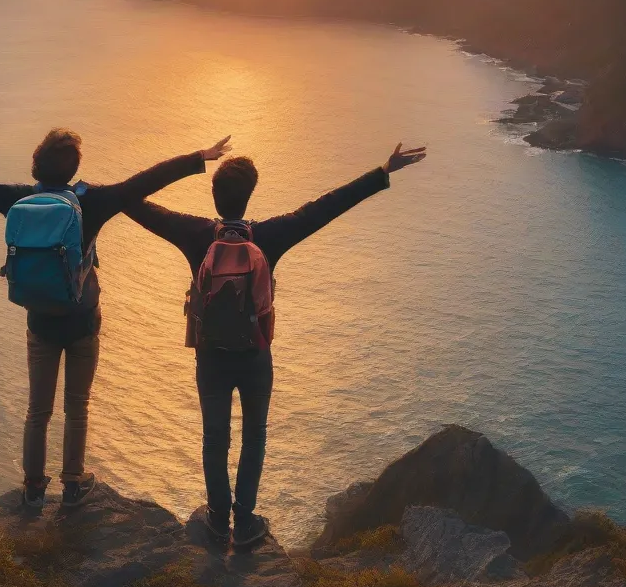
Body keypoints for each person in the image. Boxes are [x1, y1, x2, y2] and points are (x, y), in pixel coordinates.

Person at [0, 124, 231, 508]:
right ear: (73, 169)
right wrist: (197, 158)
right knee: (77, 405)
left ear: (36, 165)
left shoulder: (17, 200)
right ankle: (73, 483)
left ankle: (34, 487)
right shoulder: (93, 201)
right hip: (82, 321)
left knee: (37, 410)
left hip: (39, 321)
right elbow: (144, 182)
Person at [123, 142, 426, 548]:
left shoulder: (194, 233)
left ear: (215, 194)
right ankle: (244, 523)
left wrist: (94, 191)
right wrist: (381, 171)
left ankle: (216, 519)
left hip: (210, 356)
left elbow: (140, 206)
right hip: (255, 355)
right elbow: (326, 207)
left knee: (214, 437)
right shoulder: (268, 236)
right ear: (250, 195)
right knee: (254, 436)